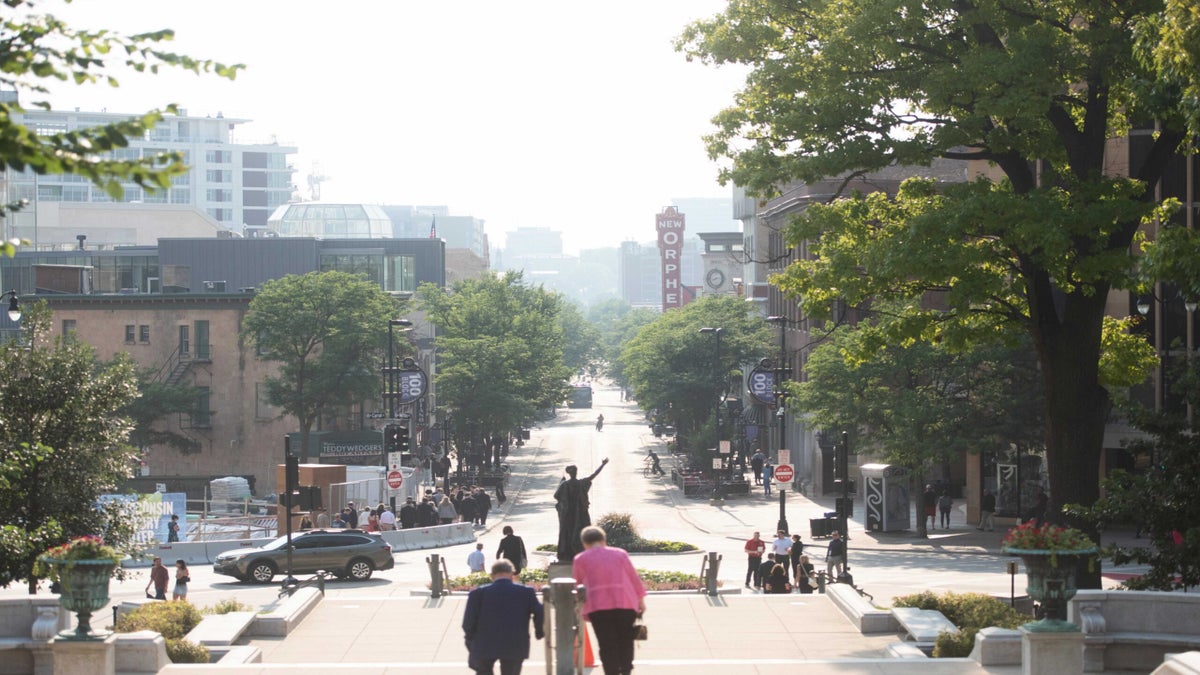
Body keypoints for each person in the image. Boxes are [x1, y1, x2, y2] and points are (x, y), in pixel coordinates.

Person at [572, 526, 646, 675]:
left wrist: (578, 606)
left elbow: (577, 585)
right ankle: (626, 670)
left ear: (584, 543)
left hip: (598, 607)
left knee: (606, 644)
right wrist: (640, 600)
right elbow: (633, 578)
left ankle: (611, 671)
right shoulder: (620, 554)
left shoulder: (580, 559)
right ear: (604, 540)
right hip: (625, 603)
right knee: (626, 641)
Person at [462, 558, 544, 675]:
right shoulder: (526, 593)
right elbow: (539, 611)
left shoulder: (477, 594)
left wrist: (470, 640)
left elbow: (468, 622)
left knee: (484, 671)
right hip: (515, 643)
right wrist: (539, 632)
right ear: (511, 574)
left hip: (484, 643)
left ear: (492, 575)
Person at [553, 459, 609, 562]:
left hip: (568, 515)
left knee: (567, 534)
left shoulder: (564, 485)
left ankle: (567, 554)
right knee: (580, 533)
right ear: (574, 473)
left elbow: (556, 496)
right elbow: (593, 475)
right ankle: (579, 552)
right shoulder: (581, 483)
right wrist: (602, 465)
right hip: (580, 514)